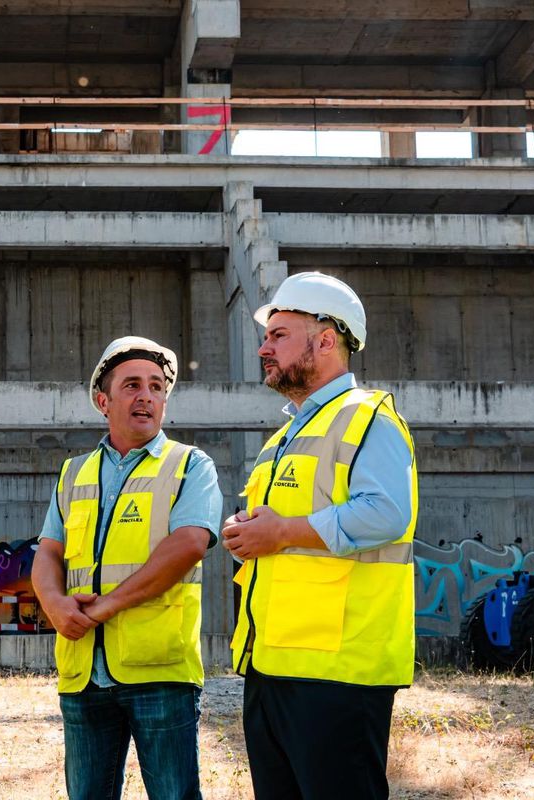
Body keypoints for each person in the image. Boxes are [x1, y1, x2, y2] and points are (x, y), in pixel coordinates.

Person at [222, 272, 418, 800]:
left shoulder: (367, 418)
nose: (263, 348)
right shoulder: (283, 437)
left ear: (326, 340)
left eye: (278, 335)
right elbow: (279, 535)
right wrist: (247, 533)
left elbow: (386, 513)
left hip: (338, 674)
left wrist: (281, 532)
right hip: (272, 668)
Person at [31, 336, 222, 800]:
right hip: (83, 673)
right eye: (132, 385)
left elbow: (189, 545)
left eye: (157, 387)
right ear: (104, 401)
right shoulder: (73, 473)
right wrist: (54, 604)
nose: (147, 396)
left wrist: (104, 608)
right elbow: (48, 553)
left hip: (160, 671)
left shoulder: (190, 465)